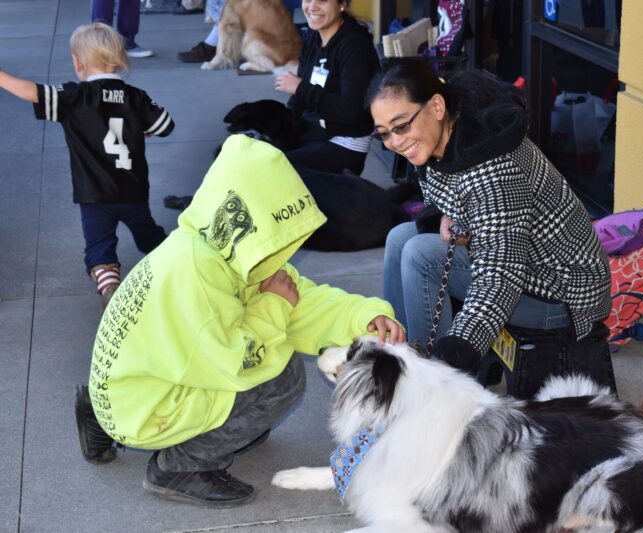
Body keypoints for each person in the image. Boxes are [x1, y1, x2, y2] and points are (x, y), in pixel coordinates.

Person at [75, 135, 404, 508]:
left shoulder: (217, 249)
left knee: (267, 355)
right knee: (282, 378)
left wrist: (365, 317)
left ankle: (99, 413)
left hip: (127, 385)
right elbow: (236, 362)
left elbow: (303, 301)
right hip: (146, 408)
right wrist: (276, 307)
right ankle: (179, 467)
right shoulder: (198, 277)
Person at [369, 59, 611, 374]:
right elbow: (446, 195)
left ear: (437, 106)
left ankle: (430, 381)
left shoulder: (493, 168)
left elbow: (501, 276)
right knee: (400, 237)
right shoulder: (434, 137)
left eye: (401, 126)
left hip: (563, 293)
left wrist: (455, 353)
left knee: (421, 255)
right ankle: (400, 360)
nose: (395, 142)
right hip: (523, 264)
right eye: (384, 134)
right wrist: (443, 214)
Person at [0, 23, 174, 308]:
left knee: (99, 248)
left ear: (77, 62)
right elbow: (166, 124)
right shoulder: (136, 96)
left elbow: (32, 92)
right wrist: (142, 131)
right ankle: (178, 260)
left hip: (94, 195)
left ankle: (109, 282)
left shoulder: (74, 97)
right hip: (133, 190)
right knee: (149, 236)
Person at [267, 0, 379, 175]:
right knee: (255, 154)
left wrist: (301, 88)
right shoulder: (312, 39)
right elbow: (299, 102)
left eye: (322, 1)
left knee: (274, 169)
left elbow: (353, 111)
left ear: (342, 4)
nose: (312, 7)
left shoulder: (355, 45)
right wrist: (282, 126)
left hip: (345, 141)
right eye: (308, 0)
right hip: (313, 132)